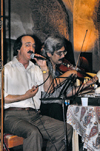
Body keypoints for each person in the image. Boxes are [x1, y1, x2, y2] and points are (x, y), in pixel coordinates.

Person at [4, 34, 74, 151]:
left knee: (66, 130)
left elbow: (49, 89)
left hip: (34, 115)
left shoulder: (36, 69)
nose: (31, 48)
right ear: (18, 49)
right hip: (11, 116)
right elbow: (3, 98)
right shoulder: (7, 69)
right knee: (33, 133)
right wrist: (24, 96)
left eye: (33, 46)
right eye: (27, 45)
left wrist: (44, 68)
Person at [40, 35, 98, 121]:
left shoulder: (59, 70)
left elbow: (69, 93)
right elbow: (50, 85)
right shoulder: (43, 68)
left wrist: (87, 84)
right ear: (49, 54)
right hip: (49, 109)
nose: (63, 56)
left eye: (64, 52)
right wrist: (69, 73)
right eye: (59, 53)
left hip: (59, 107)